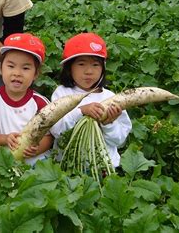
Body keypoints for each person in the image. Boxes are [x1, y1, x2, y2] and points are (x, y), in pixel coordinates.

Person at [49, 32, 132, 167]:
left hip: (104, 166)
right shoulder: (62, 93)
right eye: (81, 64)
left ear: (103, 69)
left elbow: (119, 140)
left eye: (95, 65)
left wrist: (108, 123)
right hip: (69, 166)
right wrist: (81, 111)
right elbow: (57, 130)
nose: (89, 71)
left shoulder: (110, 98)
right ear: (69, 68)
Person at [0, 33, 52, 166]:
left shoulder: (40, 103)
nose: (17, 73)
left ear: (35, 74)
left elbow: (48, 137)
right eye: (11, 66)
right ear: (0, 68)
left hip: (33, 164)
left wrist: (36, 150)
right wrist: (5, 139)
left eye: (25, 68)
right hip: (2, 163)